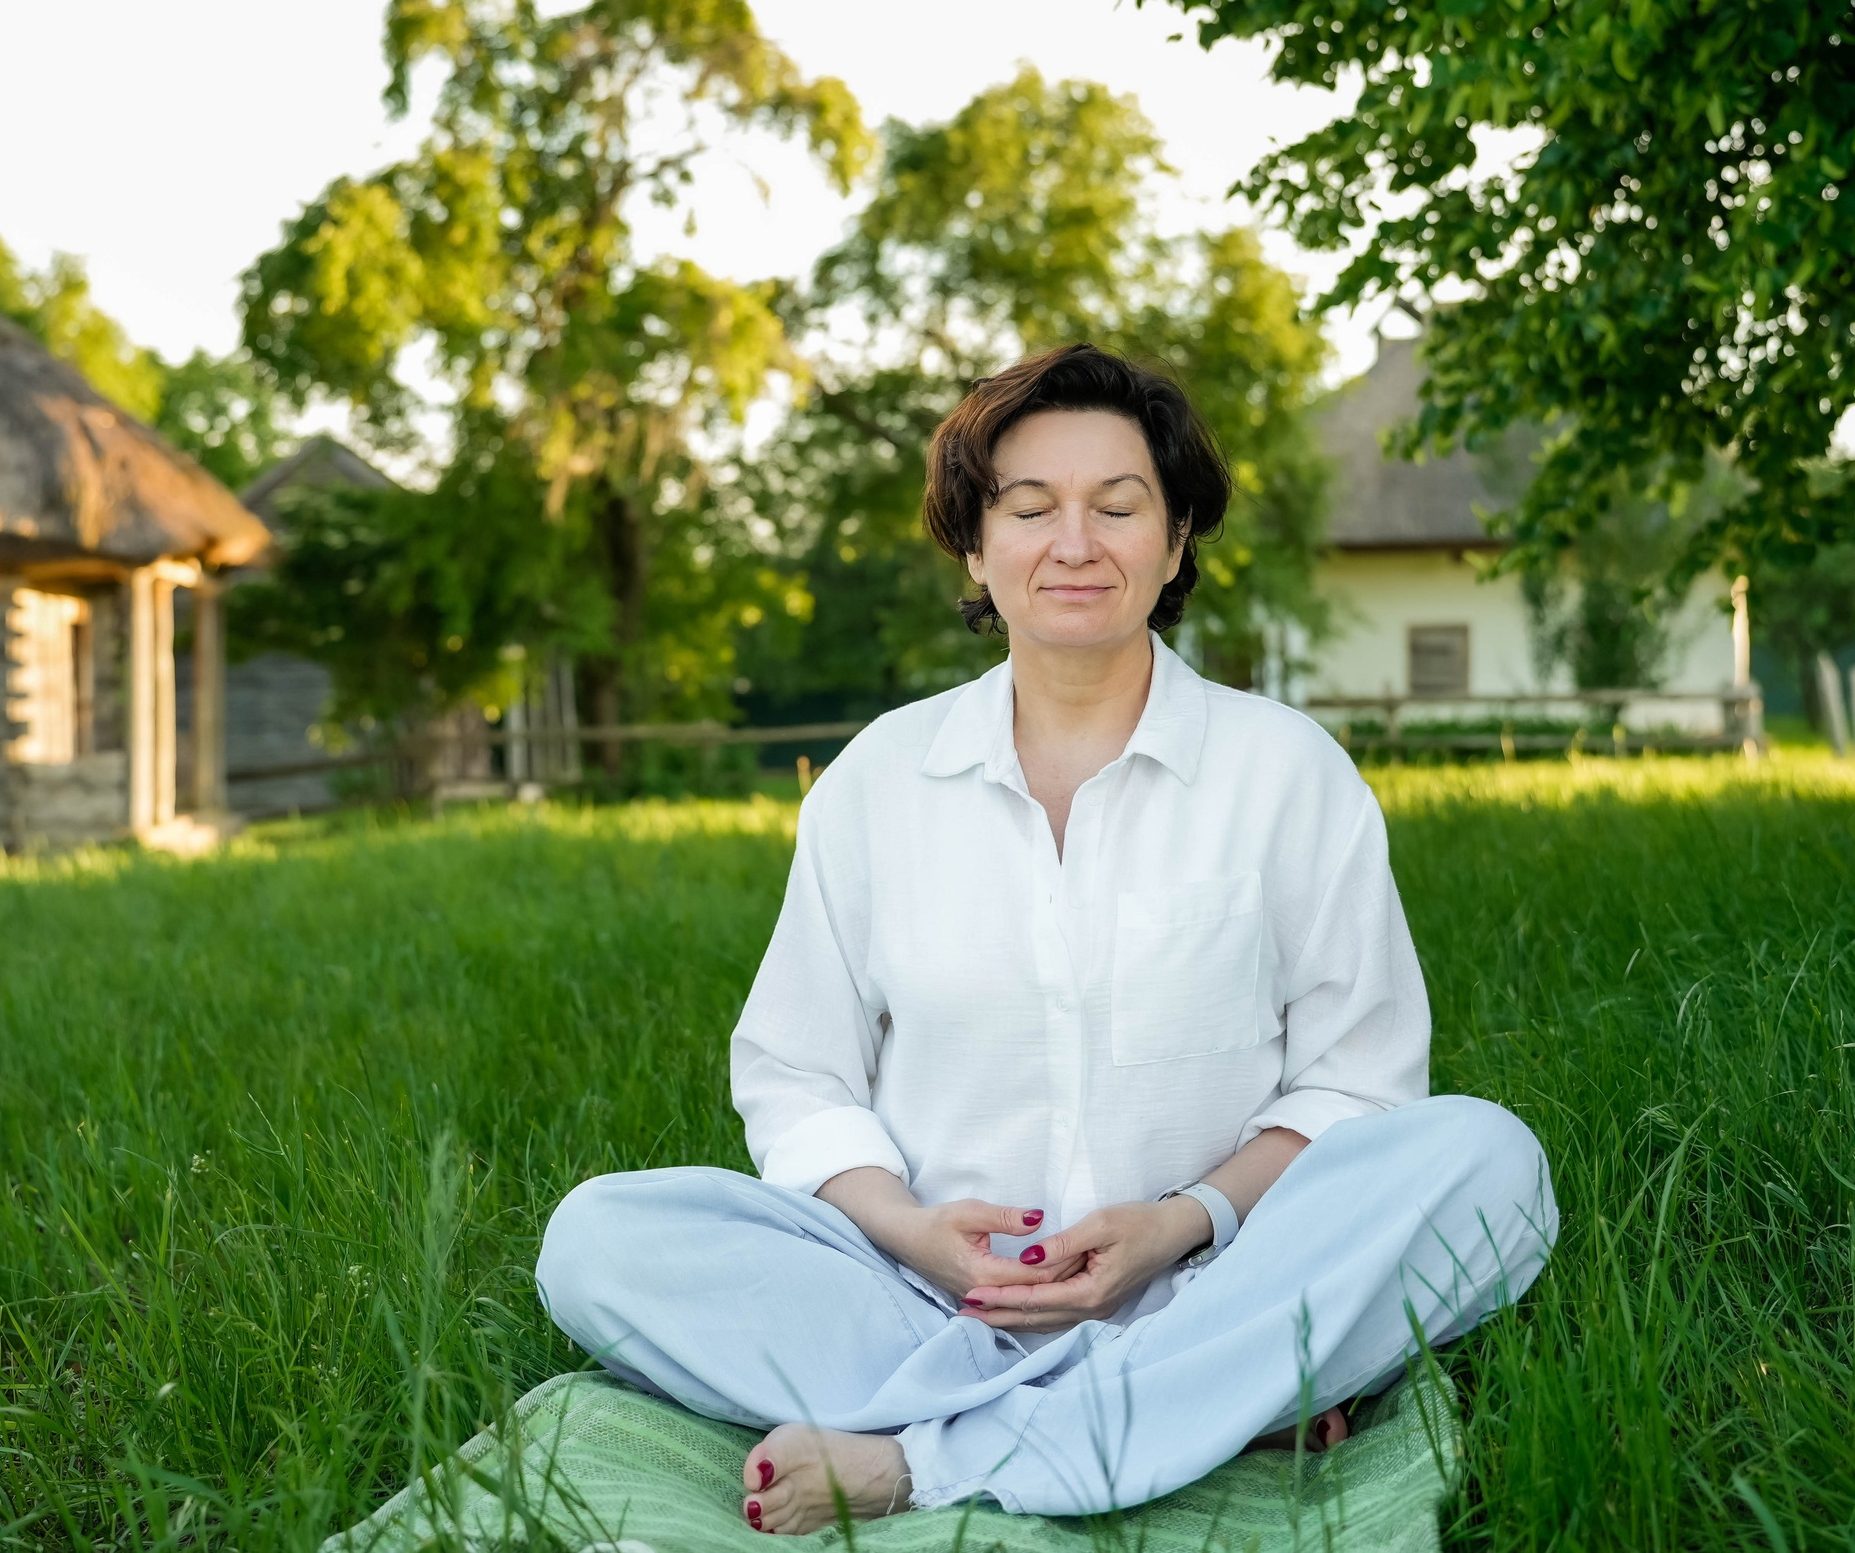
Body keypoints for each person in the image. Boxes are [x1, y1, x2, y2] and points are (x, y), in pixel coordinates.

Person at [537, 344, 1556, 1534]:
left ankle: (923, 1457)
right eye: (1030, 507)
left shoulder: (1287, 773)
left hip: (1217, 1283)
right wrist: (921, 1232)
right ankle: (1207, 1406)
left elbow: (1358, 1081)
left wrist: (1179, 1220)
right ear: (975, 545)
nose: (1075, 541)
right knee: (597, 1236)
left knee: (1491, 1163)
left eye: (1117, 506)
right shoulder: (878, 781)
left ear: (1173, 543)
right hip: (927, 1304)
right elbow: (798, 1075)